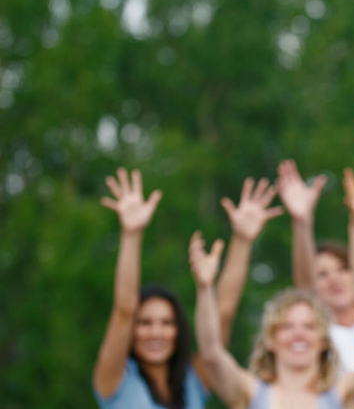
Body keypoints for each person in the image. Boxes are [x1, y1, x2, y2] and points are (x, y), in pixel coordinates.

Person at [93, 168, 281, 408]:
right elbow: (124, 310)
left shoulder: (192, 382)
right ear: (131, 331)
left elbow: (222, 314)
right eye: (145, 323)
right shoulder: (116, 381)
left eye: (166, 323)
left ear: (178, 330)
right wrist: (131, 234)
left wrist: (243, 240)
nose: (156, 333)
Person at [188, 222, 354, 409]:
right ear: (270, 340)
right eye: (287, 327)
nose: (298, 334)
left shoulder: (344, 394)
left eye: (309, 326)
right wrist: (205, 288)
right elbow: (211, 352)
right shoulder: (249, 393)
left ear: (324, 340)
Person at [277, 159, 354, 409]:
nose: (334, 278)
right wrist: (302, 222)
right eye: (323, 274)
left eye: (342, 269)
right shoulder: (317, 332)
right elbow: (304, 282)